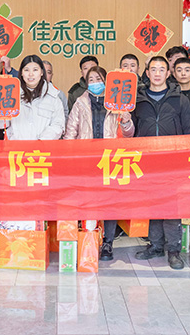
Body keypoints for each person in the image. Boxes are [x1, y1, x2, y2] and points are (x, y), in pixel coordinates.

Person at [64, 66, 134, 261]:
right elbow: (71, 132)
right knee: (87, 200)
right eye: (91, 79)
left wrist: (126, 120)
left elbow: (129, 134)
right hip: (86, 160)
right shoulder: (80, 102)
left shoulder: (118, 102)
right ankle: (88, 238)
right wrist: (68, 157)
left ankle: (108, 243)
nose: (95, 83)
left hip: (110, 160)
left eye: (99, 79)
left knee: (109, 202)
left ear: (106, 81)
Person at [132, 56, 190, 270]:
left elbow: (188, 131)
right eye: (153, 69)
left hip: (173, 161)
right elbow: (131, 132)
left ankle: (174, 250)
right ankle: (156, 245)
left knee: (171, 207)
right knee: (152, 205)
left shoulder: (180, 99)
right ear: (147, 73)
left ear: (168, 73)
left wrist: (187, 160)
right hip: (146, 161)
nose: (157, 73)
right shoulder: (137, 99)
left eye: (162, 69)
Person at [0, 55, 66, 139]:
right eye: (26, 70)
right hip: (16, 146)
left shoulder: (53, 96)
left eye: (35, 70)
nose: (31, 74)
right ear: (21, 73)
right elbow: (0, 124)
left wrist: (41, 141)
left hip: (43, 146)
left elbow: (58, 125)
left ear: (41, 72)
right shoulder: (11, 94)